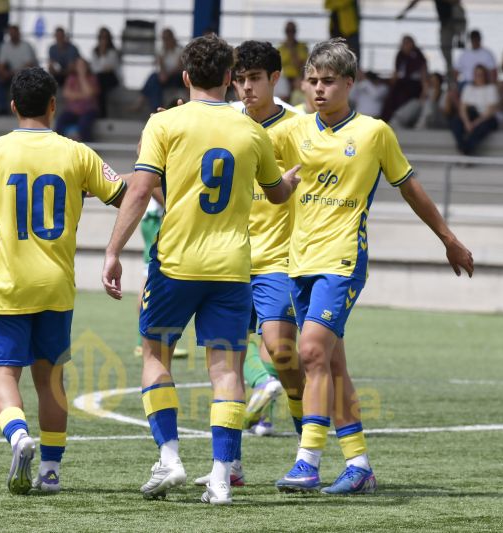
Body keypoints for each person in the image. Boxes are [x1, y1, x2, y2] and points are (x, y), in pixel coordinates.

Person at [101, 34, 301, 505]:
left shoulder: (164, 123)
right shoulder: (251, 130)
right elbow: (276, 193)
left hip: (175, 264)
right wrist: (290, 181)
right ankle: (220, 476)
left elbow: (140, 189)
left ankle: (169, 458)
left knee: (156, 356)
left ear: (186, 76)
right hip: (232, 268)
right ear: (230, 78)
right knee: (226, 369)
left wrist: (113, 250)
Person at [268, 37, 473, 495]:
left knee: (311, 352)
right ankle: (359, 466)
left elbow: (410, 187)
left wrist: (448, 238)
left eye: (328, 81)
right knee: (332, 364)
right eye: (312, 81)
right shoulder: (293, 130)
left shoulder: (374, 133)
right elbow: (249, 145)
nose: (318, 89)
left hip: (343, 260)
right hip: (299, 260)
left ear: (350, 83)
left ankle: (307, 461)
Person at [0, 66, 127, 495]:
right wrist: (114, 250)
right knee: (51, 380)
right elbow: (126, 196)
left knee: (2, 375)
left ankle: (18, 437)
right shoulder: (77, 153)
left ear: (12, 105)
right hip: (57, 287)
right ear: (53, 105)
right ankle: (50, 471)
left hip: (8, 285)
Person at [192, 40, 305, 489]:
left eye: (254, 78)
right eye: (239, 79)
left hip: (278, 259)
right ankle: (231, 464)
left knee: (280, 351)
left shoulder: (298, 126)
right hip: (231, 259)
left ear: (274, 78)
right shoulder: (228, 122)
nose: (245, 88)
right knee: (229, 362)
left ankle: (307, 447)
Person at [398, 0, 466, 81]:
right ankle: (450, 75)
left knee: (457, 11)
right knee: (445, 49)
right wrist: (403, 13)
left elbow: (456, 2)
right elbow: (415, 2)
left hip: (455, 18)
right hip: (445, 24)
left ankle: (460, 37)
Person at [450, 64, 500, 155]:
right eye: (476, 74)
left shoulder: (491, 88)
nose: (478, 77)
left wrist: (474, 123)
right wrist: (467, 122)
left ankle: (465, 149)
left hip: (485, 118)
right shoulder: (468, 88)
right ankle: (463, 147)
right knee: (456, 122)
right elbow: (463, 108)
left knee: (482, 127)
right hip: (471, 115)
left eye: (480, 74)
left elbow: (490, 111)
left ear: (485, 75)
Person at [133, 28, 183, 112]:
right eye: (163, 38)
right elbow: (161, 66)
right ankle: (155, 106)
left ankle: (143, 101)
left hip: (176, 76)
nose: (165, 41)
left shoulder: (179, 50)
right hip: (166, 76)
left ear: (172, 38)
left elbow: (179, 67)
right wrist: (163, 74)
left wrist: (166, 75)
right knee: (154, 80)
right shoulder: (162, 50)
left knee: (153, 79)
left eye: (167, 38)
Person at [381, 35, 428, 124]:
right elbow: (396, 72)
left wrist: (424, 91)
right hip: (401, 84)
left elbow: (423, 76)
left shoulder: (418, 56)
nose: (405, 46)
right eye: (403, 44)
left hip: (414, 85)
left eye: (407, 43)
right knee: (390, 98)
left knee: (403, 97)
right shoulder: (400, 56)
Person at [0, 25, 38, 115]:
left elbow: (29, 65)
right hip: (12, 75)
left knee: (25, 78)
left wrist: (12, 73)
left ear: (18, 34)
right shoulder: (5, 46)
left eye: (14, 33)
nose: (13, 35)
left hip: (26, 74)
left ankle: (24, 109)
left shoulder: (26, 46)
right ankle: (3, 108)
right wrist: (3, 73)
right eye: (11, 33)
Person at [55, 57, 99, 142]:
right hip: (72, 110)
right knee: (59, 123)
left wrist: (82, 76)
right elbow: (66, 94)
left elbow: (89, 93)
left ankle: (88, 148)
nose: (80, 67)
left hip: (88, 110)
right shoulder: (71, 78)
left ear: (87, 66)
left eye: (83, 65)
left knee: (84, 126)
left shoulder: (92, 78)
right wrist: (83, 95)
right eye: (78, 65)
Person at [92, 27, 121, 118]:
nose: (103, 40)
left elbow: (111, 68)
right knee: (100, 84)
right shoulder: (95, 52)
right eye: (102, 38)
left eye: (105, 38)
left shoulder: (113, 52)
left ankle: (101, 113)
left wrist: (103, 54)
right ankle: (100, 112)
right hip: (100, 78)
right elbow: (95, 68)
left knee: (100, 83)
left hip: (111, 77)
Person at [278, 21, 309, 95]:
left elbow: (301, 66)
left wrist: (291, 48)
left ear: (295, 31)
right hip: (284, 78)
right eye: (288, 31)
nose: (290, 33)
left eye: (292, 31)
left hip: (298, 77)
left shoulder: (302, 47)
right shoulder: (280, 48)